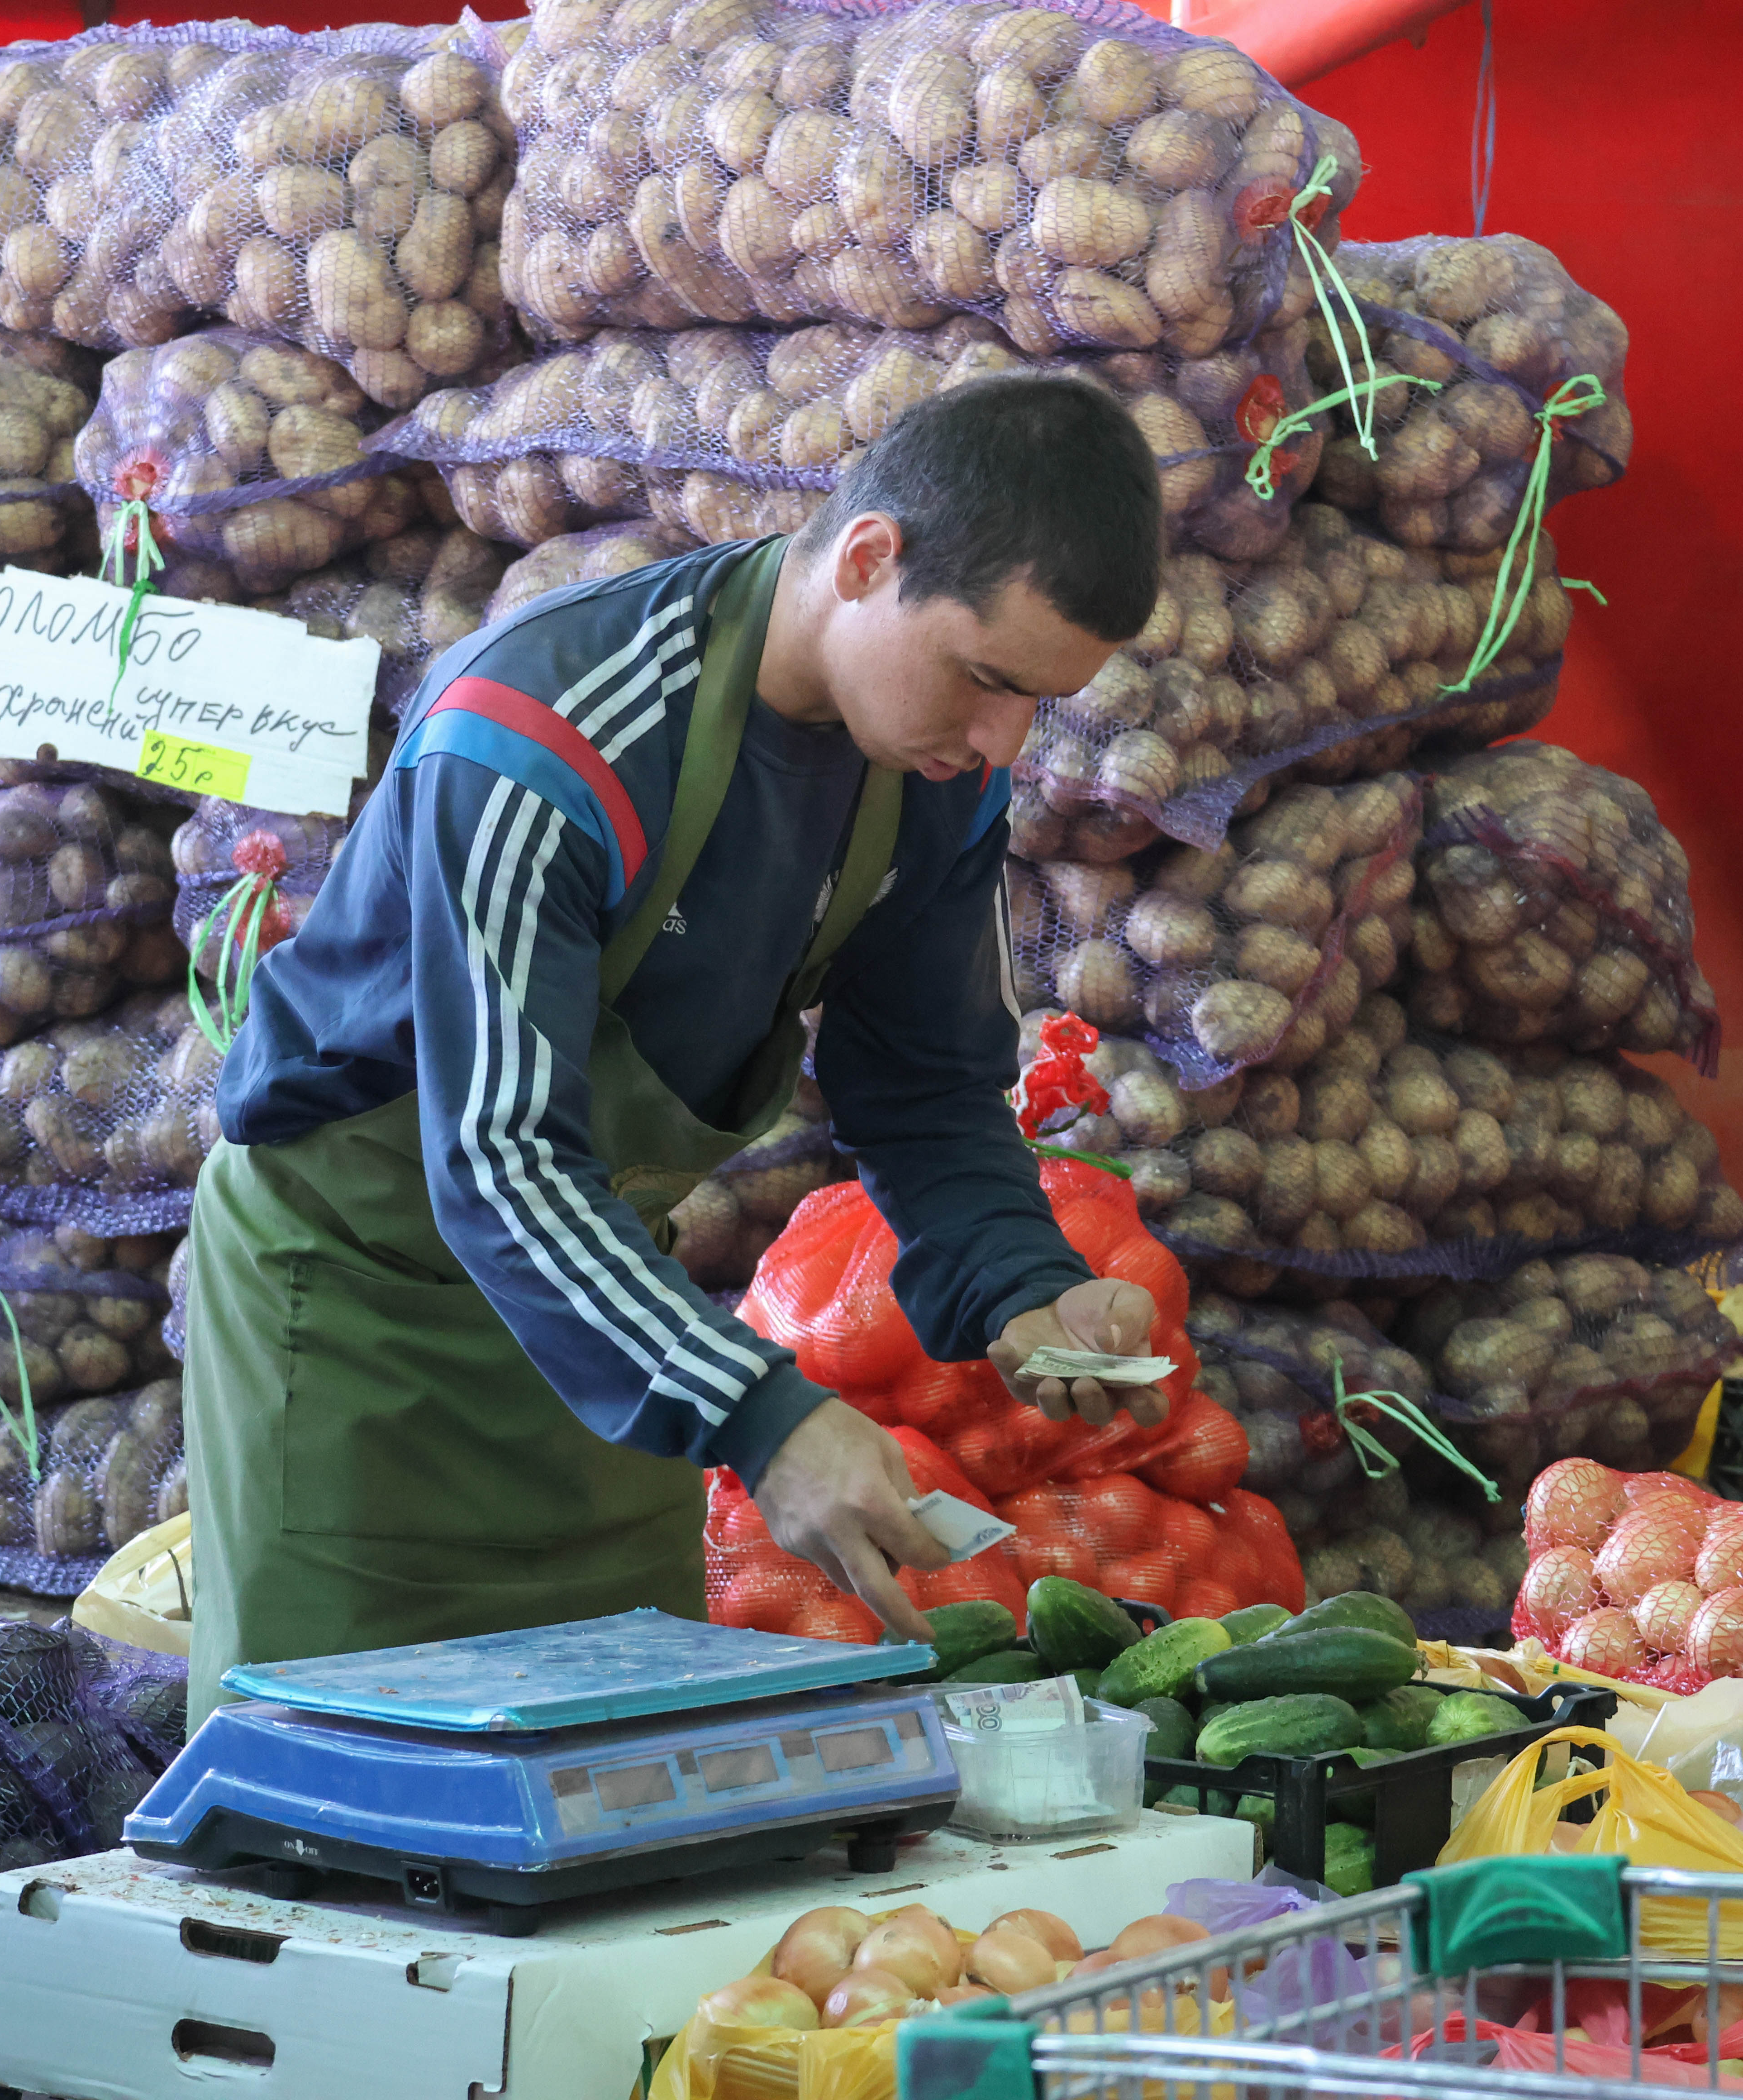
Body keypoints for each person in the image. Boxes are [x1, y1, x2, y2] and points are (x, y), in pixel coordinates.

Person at [185, 372, 1176, 1709]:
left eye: (1036, 704)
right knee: (342, 1800)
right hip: (360, 1330)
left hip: (608, 1336)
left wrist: (1022, 1287)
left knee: (605, 1795)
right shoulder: (545, 734)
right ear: (871, 559)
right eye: (986, 678)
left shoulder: (938, 775)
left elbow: (928, 1087)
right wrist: (761, 1416)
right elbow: (498, 1154)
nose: (1004, 737)